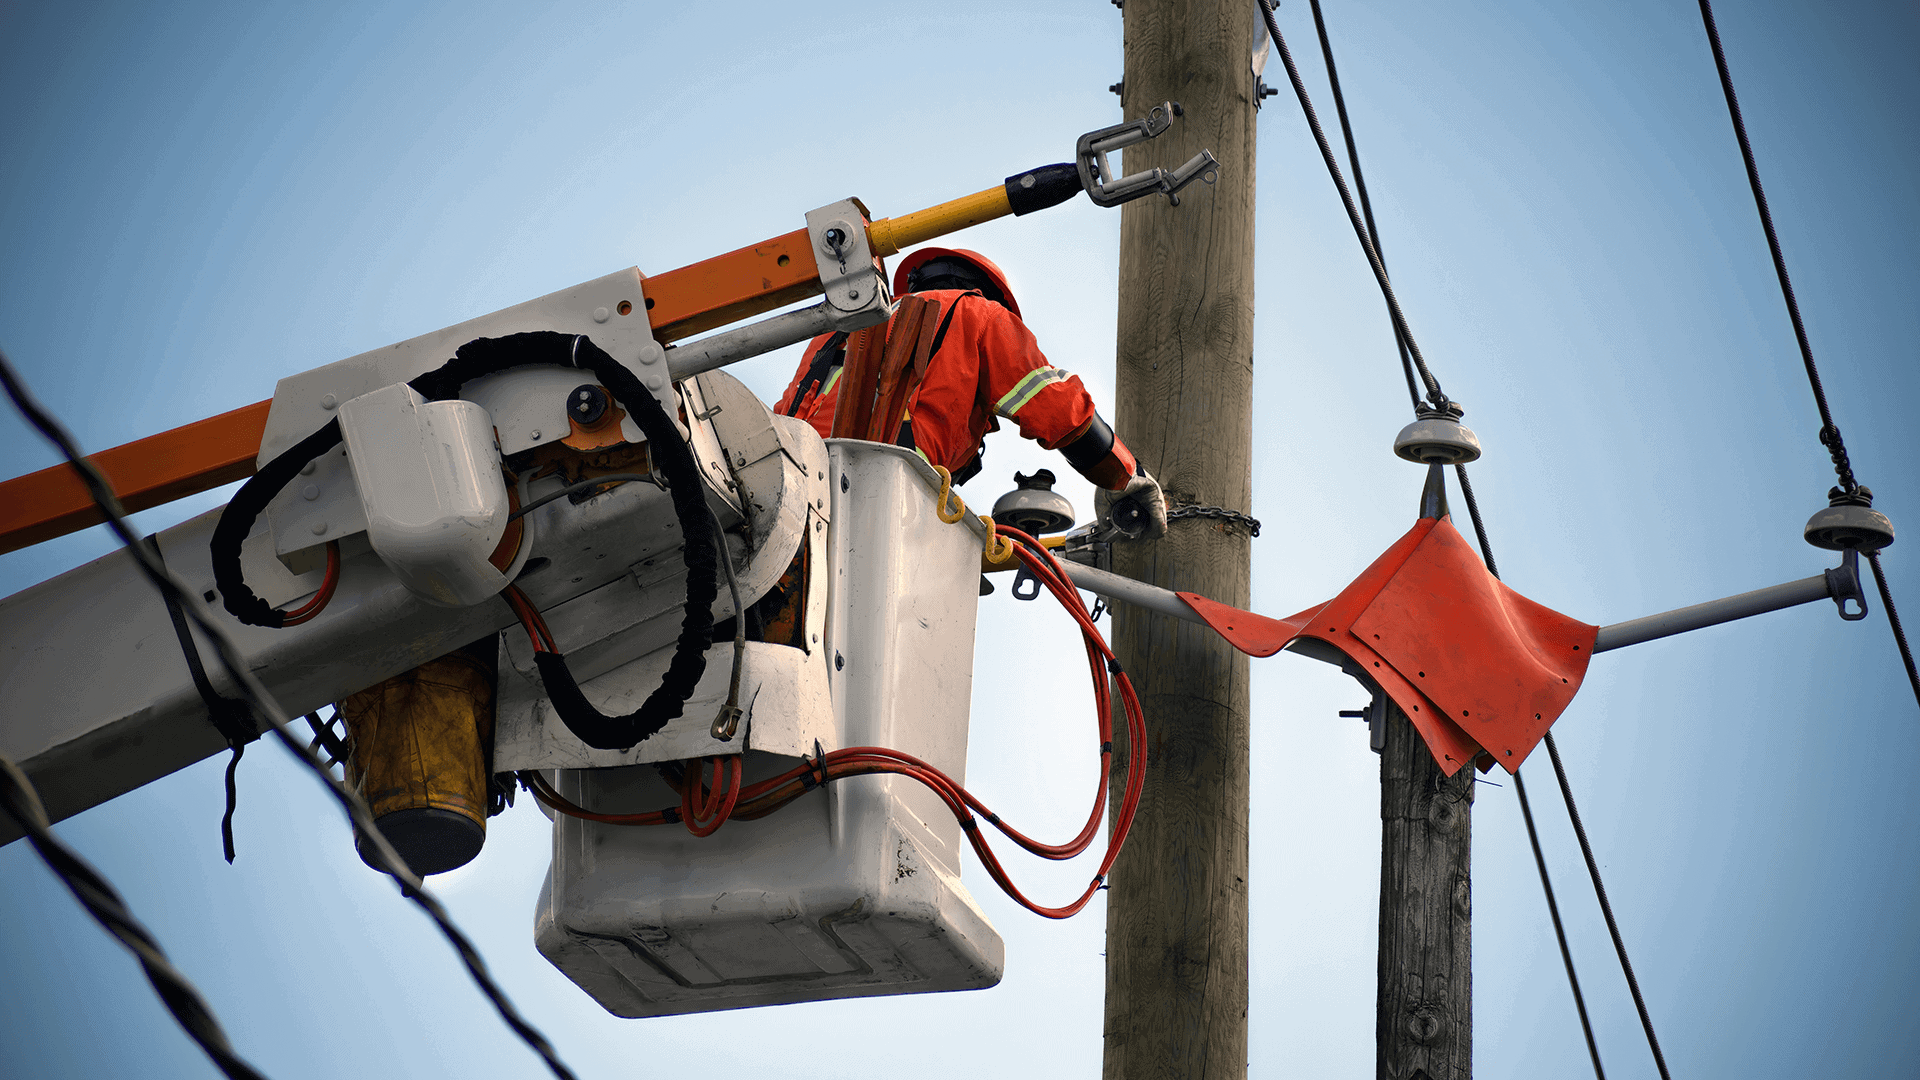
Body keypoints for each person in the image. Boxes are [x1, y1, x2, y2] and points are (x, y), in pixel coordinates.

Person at [774, 247, 1166, 537]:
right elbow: (1057, 409)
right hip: (880, 489)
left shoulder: (839, 332)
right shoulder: (979, 315)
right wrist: (1125, 476)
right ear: (986, 293)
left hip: (786, 487)